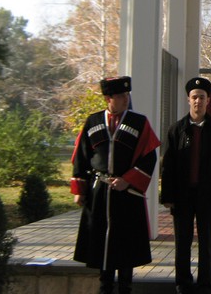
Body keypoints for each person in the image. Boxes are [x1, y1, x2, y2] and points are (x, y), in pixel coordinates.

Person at [70, 76, 161, 294]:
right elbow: (81, 157)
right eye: (120, 96)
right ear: (108, 98)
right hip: (100, 192)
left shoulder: (139, 122)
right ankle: (105, 285)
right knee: (101, 241)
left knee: (126, 241)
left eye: (127, 95)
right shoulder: (92, 122)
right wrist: (79, 189)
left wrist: (128, 180)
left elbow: (149, 157)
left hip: (127, 193)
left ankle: (125, 286)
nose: (125, 99)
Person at [161, 77, 211, 294]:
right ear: (188, 100)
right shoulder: (176, 130)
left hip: (207, 195)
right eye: (194, 97)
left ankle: (204, 283)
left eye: (202, 98)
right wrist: (168, 196)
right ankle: (183, 281)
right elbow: (168, 166)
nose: (198, 102)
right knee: (182, 241)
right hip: (182, 195)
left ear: (208, 100)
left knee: (206, 241)